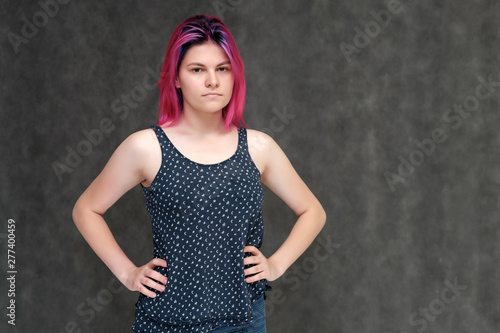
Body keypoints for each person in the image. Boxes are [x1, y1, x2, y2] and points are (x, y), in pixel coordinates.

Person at [72, 14, 326, 333]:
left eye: (222, 69)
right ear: (176, 78)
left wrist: (275, 264)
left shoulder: (259, 148)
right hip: (168, 321)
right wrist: (127, 273)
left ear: (235, 76)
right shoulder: (146, 148)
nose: (212, 81)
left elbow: (312, 211)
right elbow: (87, 209)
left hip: (243, 320)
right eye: (197, 70)